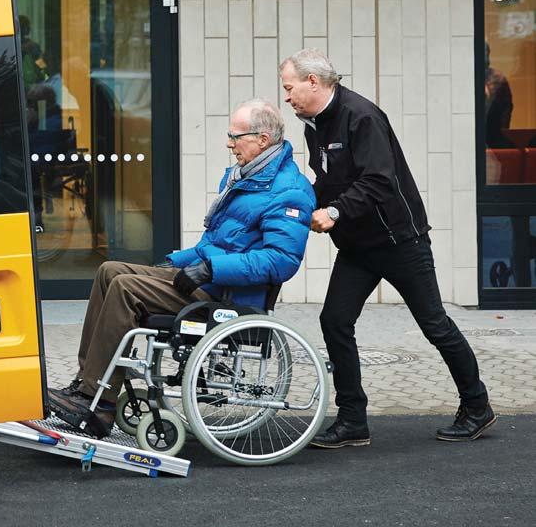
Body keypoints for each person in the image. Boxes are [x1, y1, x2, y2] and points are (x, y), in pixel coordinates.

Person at [48, 99, 315, 438]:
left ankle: (97, 404)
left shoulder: (288, 191)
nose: (228, 143)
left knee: (125, 289)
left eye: (236, 136)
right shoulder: (246, 179)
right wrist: (175, 263)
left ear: (263, 139)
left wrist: (209, 269)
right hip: (212, 280)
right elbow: (210, 246)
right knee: (110, 271)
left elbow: (280, 261)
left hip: (228, 295)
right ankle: (87, 383)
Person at [279, 49, 496, 448]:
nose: (287, 97)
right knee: (335, 321)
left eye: (290, 88)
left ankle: (477, 407)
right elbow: (327, 180)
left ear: (313, 81)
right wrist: (298, 204)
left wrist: (336, 212)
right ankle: (352, 420)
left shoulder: (361, 116)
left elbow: (379, 180)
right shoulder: (314, 126)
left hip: (400, 242)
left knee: (434, 325)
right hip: (359, 247)